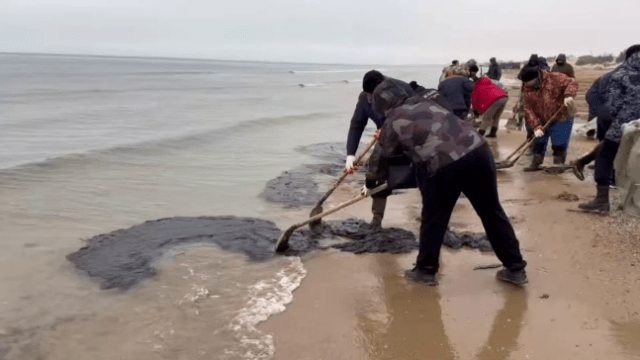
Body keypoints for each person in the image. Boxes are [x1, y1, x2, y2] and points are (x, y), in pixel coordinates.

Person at [363, 78, 528, 286]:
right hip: (478, 151)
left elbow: (382, 157)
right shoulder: (427, 102)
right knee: (491, 212)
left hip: (442, 165)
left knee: (434, 217)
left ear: (381, 104)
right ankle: (515, 268)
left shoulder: (392, 121)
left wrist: (371, 181)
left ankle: (426, 271)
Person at [578, 45, 640, 213]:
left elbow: (612, 106)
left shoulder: (619, 75)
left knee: (604, 156)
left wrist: (606, 124)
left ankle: (601, 200)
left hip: (623, 126)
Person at [344, 70, 405, 227]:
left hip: (408, 135)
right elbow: (357, 125)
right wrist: (350, 155)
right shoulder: (364, 98)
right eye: (369, 95)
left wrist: (388, 129)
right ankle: (377, 220)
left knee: (381, 171)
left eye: (374, 95)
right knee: (376, 173)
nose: (372, 99)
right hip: (384, 139)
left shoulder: (400, 90)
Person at [519, 65, 579, 171]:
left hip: (561, 116)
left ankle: (558, 165)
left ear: (537, 77)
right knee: (538, 140)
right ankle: (536, 163)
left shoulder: (555, 78)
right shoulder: (527, 88)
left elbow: (572, 82)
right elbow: (528, 109)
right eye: (525, 82)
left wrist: (568, 95)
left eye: (529, 82)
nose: (527, 84)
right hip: (541, 118)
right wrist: (536, 125)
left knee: (559, 142)